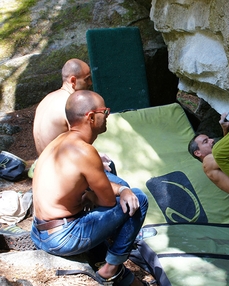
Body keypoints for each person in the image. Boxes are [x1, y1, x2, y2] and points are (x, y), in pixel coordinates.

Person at [31, 90, 148, 285]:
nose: (108, 116)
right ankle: (111, 268)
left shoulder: (60, 141)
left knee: (119, 184)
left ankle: (110, 244)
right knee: (138, 198)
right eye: (106, 112)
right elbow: (108, 202)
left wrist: (117, 190)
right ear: (91, 117)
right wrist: (94, 196)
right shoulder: (84, 151)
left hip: (41, 230)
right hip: (63, 236)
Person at [31, 58, 125, 185]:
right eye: (86, 79)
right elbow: (77, 148)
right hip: (59, 173)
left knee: (108, 163)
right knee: (123, 187)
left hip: (44, 165)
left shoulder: (48, 98)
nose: (90, 83)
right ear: (73, 80)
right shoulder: (70, 105)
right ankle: (106, 203)